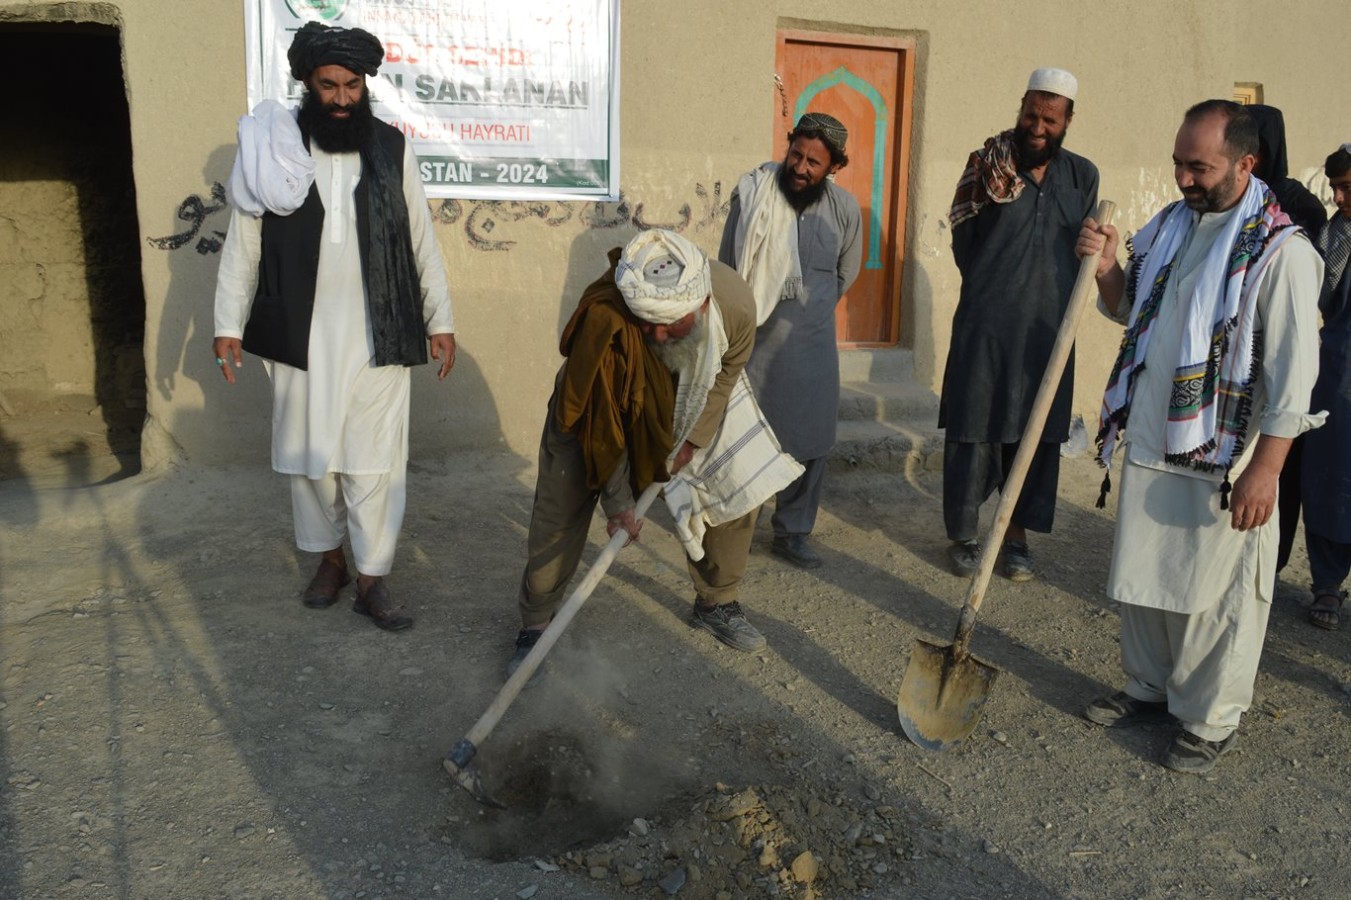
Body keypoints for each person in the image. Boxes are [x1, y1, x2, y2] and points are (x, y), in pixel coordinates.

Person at [1078, 100, 1324, 774]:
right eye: (1178, 163)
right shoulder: (1170, 226)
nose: (1184, 178)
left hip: (1225, 459)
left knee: (1216, 598)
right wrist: (1104, 265)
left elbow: (1295, 377)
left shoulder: (1281, 252)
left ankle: (1210, 719)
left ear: (1245, 163)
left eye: (1199, 167)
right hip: (1154, 440)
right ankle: (1149, 688)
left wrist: (1266, 469)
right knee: (1146, 581)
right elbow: (1134, 308)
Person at [212, 22, 456, 632]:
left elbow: (421, 237)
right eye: (330, 86)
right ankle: (330, 561)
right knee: (311, 461)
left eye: (353, 85)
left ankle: (373, 576)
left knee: (375, 460)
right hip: (300, 333)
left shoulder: (393, 147)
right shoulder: (275, 147)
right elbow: (244, 242)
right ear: (306, 83)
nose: (343, 98)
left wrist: (440, 319)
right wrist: (227, 324)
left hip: (381, 329)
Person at [509, 229, 802, 677]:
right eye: (649, 322)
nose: (658, 333)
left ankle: (716, 601)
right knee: (559, 507)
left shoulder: (735, 306)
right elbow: (605, 430)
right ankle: (536, 623)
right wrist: (621, 505)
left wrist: (694, 439)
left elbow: (725, 376)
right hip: (593, 412)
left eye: (672, 323)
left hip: (699, 395)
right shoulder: (608, 327)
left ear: (702, 305)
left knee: (735, 481)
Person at [939, 68, 1099, 582]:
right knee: (974, 427)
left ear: (1067, 120)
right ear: (1021, 108)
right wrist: (994, 287)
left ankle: (1015, 537)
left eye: (1049, 119)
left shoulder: (1082, 176)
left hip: (1048, 330)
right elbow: (966, 244)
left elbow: (1084, 246)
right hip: (986, 323)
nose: (1037, 126)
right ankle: (964, 536)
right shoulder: (988, 165)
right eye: (1031, 113)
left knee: (1037, 431)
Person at [718, 112, 862, 570]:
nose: (800, 168)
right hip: (755, 346)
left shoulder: (844, 209)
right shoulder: (754, 195)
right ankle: (735, 527)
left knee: (812, 438)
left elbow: (845, 273)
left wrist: (810, 310)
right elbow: (727, 267)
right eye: (796, 155)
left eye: (813, 162)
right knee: (746, 434)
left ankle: (793, 531)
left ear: (833, 167)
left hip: (813, 346)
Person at [1247, 104, 1328, 576]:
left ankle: (1270, 564)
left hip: (1287, 345)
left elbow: (1310, 281)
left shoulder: (1297, 203)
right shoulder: (1231, 199)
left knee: (1280, 461)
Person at [1302, 144, 1351, 630]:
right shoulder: (1332, 234)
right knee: (1330, 479)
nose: (1337, 197)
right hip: (1338, 373)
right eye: (1335, 187)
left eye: (1348, 188)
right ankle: (1327, 584)